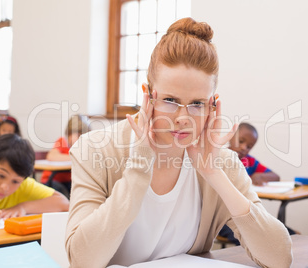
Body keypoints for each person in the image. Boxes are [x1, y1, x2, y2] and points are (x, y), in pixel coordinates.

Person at [65, 18, 292, 268]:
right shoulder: (95, 149)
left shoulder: (220, 162)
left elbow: (279, 259)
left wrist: (213, 173)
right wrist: (140, 164)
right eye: (170, 100)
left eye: (197, 104)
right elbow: (82, 261)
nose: (182, 118)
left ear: (212, 106)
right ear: (148, 95)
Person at [0, 134, 69, 226]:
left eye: (15, 181)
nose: (5, 187)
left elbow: (64, 203)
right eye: (1, 175)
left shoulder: (23, 185)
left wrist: (23, 207)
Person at [40, 115, 90, 194]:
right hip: (51, 181)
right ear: (69, 134)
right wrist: (77, 156)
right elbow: (51, 156)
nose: (81, 139)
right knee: (64, 193)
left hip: (69, 182)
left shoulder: (85, 147)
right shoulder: (63, 142)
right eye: (78, 135)